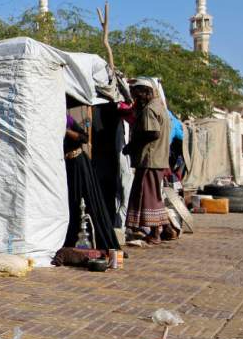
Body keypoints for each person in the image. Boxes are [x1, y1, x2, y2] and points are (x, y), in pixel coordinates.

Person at [124, 81, 172, 244]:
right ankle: (166, 228)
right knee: (154, 195)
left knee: (148, 196)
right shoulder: (160, 108)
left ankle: (155, 233)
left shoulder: (150, 110)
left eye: (137, 95)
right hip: (157, 159)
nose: (135, 99)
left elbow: (153, 133)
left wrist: (132, 144)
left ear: (144, 93)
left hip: (150, 159)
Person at [64, 112, 120, 250]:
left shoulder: (67, 120)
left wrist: (64, 131)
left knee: (83, 201)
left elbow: (84, 137)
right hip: (65, 167)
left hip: (78, 165)